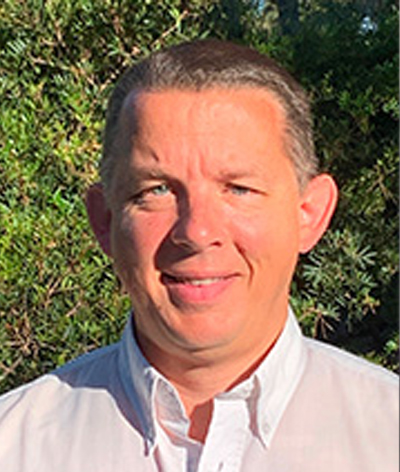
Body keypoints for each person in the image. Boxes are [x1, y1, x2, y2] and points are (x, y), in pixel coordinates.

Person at [0, 39, 397, 472]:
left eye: (239, 189)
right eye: (157, 190)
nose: (197, 232)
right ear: (105, 220)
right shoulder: (14, 446)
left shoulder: (386, 437)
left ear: (309, 214)